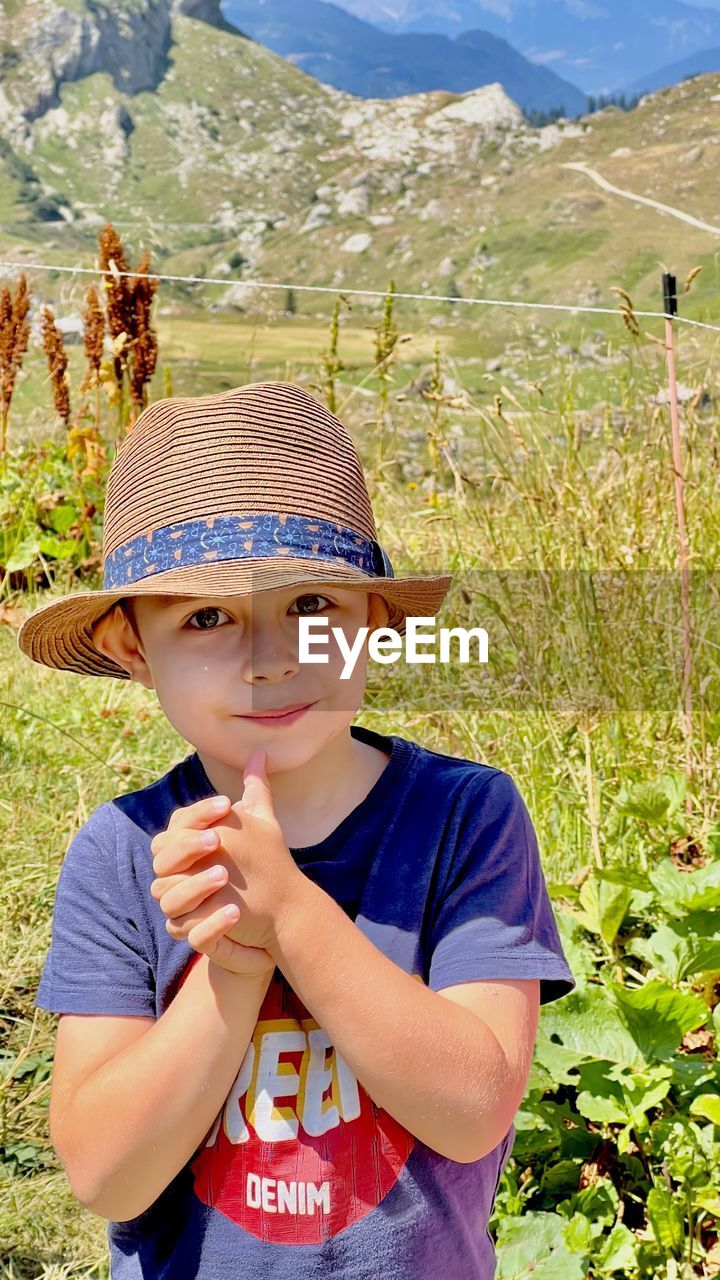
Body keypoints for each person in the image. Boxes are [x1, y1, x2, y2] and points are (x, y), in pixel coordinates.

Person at [18, 380, 575, 1279]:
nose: (270, 660)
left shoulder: (464, 819)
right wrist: (234, 967)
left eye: (311, 605)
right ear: (130, 644)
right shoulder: (122, 850)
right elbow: (106, 1173)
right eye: (206, 617)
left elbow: (473, 1109)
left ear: (374, 622)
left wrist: (290, 915)